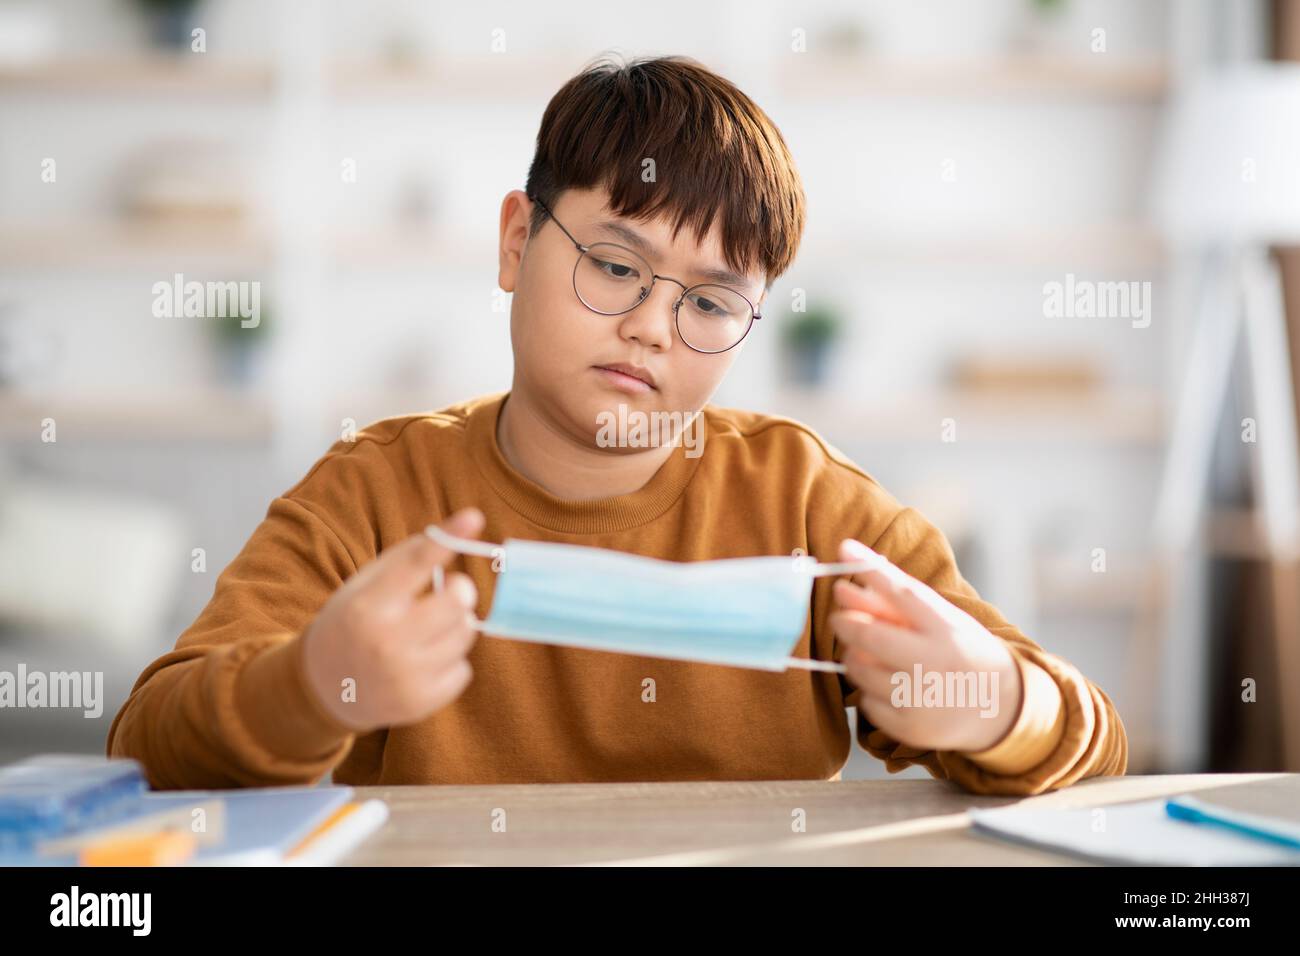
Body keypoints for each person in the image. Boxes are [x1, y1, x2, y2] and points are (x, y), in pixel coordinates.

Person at [107, 55, 1126, 794]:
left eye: (711, 303)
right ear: (516, 241)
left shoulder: (809, 503)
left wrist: (993, 700)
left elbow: (1096, 743)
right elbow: (142, 746)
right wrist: (315, 682)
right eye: (614, 265)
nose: (649, 327)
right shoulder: (370, 495)